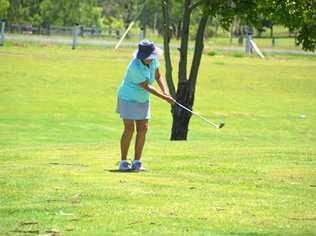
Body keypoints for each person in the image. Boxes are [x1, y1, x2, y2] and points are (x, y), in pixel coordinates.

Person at [116, 40, 174, 171]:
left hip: (142, 99)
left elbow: (158, 76)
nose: (152, 58)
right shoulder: (134, 67)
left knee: (143, 128)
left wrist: (166, 91)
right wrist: (164, 98)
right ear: (142, 56)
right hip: (128, 98)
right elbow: (146, 86)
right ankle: (123, 162)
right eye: (150, 56)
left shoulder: (153, 61)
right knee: (129, 129)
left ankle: (137, 162)